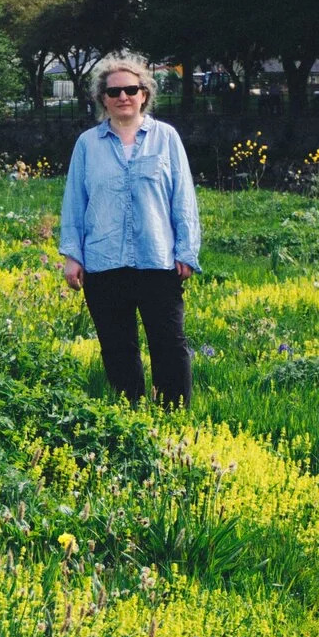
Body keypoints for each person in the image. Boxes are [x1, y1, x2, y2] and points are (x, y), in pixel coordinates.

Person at [58, 57, 200, 406]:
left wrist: (186, 251)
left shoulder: (166, 138)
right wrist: (72, 257)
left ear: (144, 94)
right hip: (104, 263)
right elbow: (75, 202)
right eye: (114, 91)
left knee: (169, 343)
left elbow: (183, 198)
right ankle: (130, 416)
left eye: (131, 90)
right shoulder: (87, 145)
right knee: (118, 347)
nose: (123, 96)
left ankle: (173, 419)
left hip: (157, 259)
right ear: (103, 98)